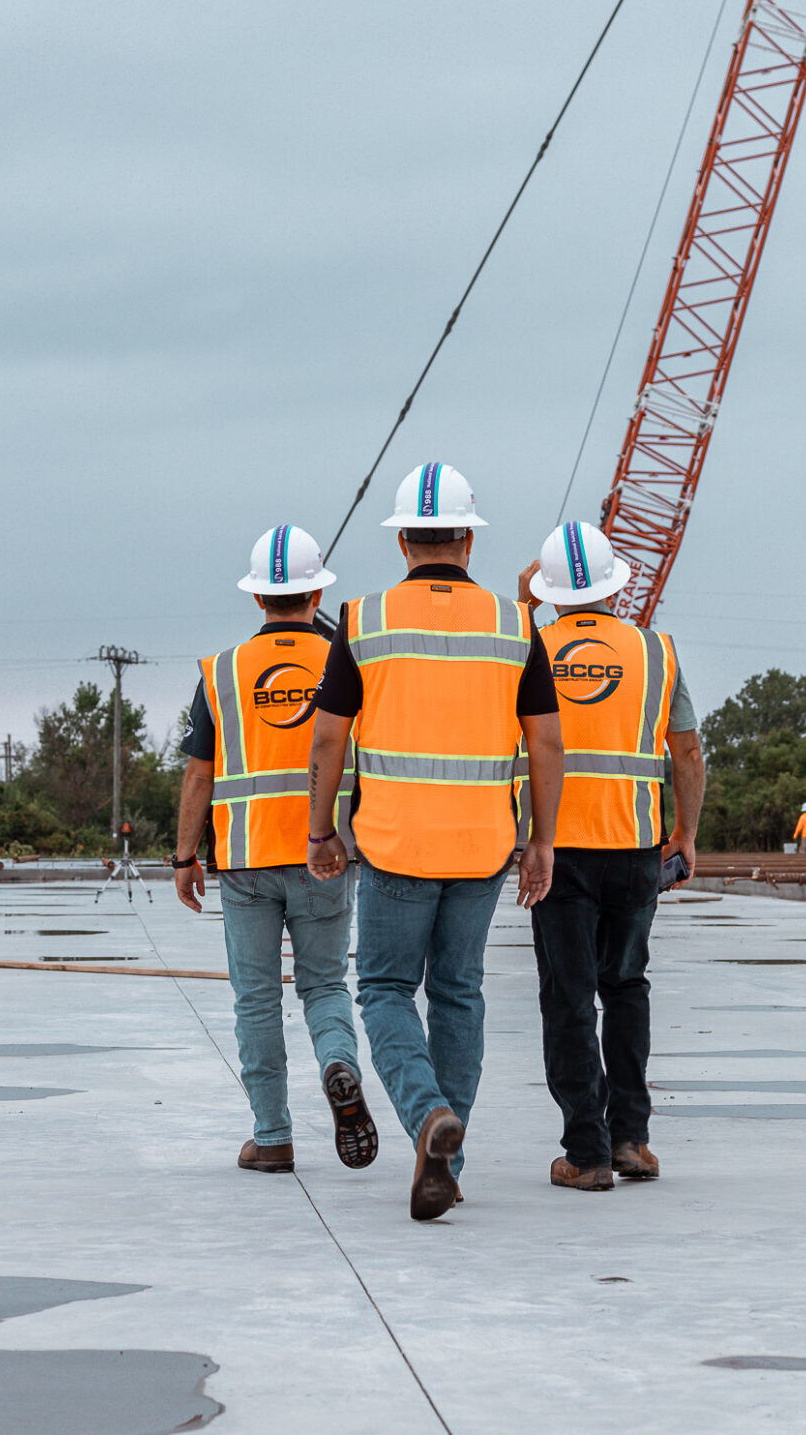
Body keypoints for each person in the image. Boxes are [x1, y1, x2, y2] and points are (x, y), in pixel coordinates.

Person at [306, 462, 564, 1222]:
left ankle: (426, 1120)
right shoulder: (516, 625)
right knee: (458, 993)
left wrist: (322, 829)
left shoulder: (364, 619)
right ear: (467, 540)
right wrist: (540, 841)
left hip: (392, 847)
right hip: (484, 846)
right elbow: (546, 743)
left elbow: (327, 739)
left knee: (385, 990)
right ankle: (448, 1158)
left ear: (404, 543)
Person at [171, 524, 378, 1176]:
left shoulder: (222, 671)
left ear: (258, 598)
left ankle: (273, 1135)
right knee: (323, 985)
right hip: (327, 855)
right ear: (317, 589)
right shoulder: (349, 659)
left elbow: (200, 774)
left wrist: (184, 856)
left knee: (255, 996)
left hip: (244, 858)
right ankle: (339, 1064)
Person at [516, 520, 703, 1192]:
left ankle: (586, 1151)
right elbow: (685, 751)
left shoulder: (528, 646)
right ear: (614, 588)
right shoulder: (656, 652)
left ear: (550, 592)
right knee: (625, 988)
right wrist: (683, 833)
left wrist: (521, 609)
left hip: (556, 852)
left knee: (568, 998)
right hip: (635, 851)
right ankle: (632, 1139)